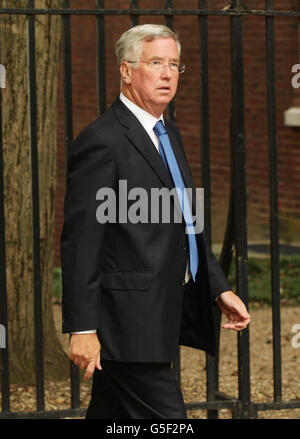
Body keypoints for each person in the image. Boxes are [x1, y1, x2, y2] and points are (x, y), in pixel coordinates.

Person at [60, 24, 250, 419]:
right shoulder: (102, 141)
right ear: (127, 71)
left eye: (175, 65)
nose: (167, 74)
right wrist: (82, 327)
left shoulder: (167, 133)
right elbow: (82, 241)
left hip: (158, 313)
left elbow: (184, 221)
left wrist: (217, 288)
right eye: (156, 63)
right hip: (126, 323)